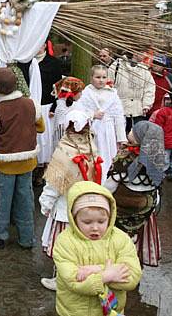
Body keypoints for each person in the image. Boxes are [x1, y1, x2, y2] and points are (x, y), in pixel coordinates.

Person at [53, 181, 142, 316]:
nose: (95, 227)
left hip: (111, 311)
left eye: (101, 221)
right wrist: (107, 275)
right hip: (73, 312)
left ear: (110, 217)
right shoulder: (65, 242)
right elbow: (73, 281)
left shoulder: (121, 239)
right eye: (87, 222)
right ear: (74, 218)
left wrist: (96, 270)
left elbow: (132, 277)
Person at [39, 110, 102, 291]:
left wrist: (46, 204)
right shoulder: (92, 147)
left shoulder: (65, 150)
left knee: (63, 248)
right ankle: (82, 276)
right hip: (86, 205)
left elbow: (54, 183)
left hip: (65, 210)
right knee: (81, 247)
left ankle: (61, 280)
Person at [0, 68, 45, 249]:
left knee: (1, 200)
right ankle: (27, 238)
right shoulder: (31, 104)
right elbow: (40, 127)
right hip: (27, 162)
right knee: (25, 200)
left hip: (5, 162)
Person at [105, 121, 166, 267]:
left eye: (133, 130)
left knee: (117, 233)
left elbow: (110, 184)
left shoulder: (125, 158)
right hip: (145, 208)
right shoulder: (157, 158)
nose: (130, 131)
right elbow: (156, 184)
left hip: (122, 208)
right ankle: (134, 259)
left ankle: (115, 259)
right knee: (137, 233)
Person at [76, 65, 127, 182]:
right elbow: (79, 112)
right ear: (91, 78)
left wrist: (121, 138)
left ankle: (106, 181)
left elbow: (118, 116)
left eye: (104, 77)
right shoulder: (85, 94)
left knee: (107, 157)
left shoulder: (112, 94)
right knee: (92, 156)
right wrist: (92, 115)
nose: (101, 80)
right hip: (91, 129)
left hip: (108, 131)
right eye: (97, 77)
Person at [35, 42, 63, 182]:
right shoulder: (27, 61)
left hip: (47, 106)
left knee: (46, 139)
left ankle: (44, 169)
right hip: (32, 104)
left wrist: (55, 106)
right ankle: (33, 166)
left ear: (45, 45)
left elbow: (59, 86)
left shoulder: (53, 63)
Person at [109, 53, 155, 132]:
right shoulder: (116, 66)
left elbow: (150, 88)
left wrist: (146, 104)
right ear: (135, 54)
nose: (144, 56)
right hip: (119, 110)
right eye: (142, 53)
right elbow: (109, 85)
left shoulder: (144, 69)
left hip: (138, 111)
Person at [51, 76, 85, 150]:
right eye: (80, 92)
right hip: (64, 143)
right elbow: (60, 126)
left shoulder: (74, 104)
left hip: (72, 140)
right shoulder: (61, 106)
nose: (81, 94)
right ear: (73, 92)